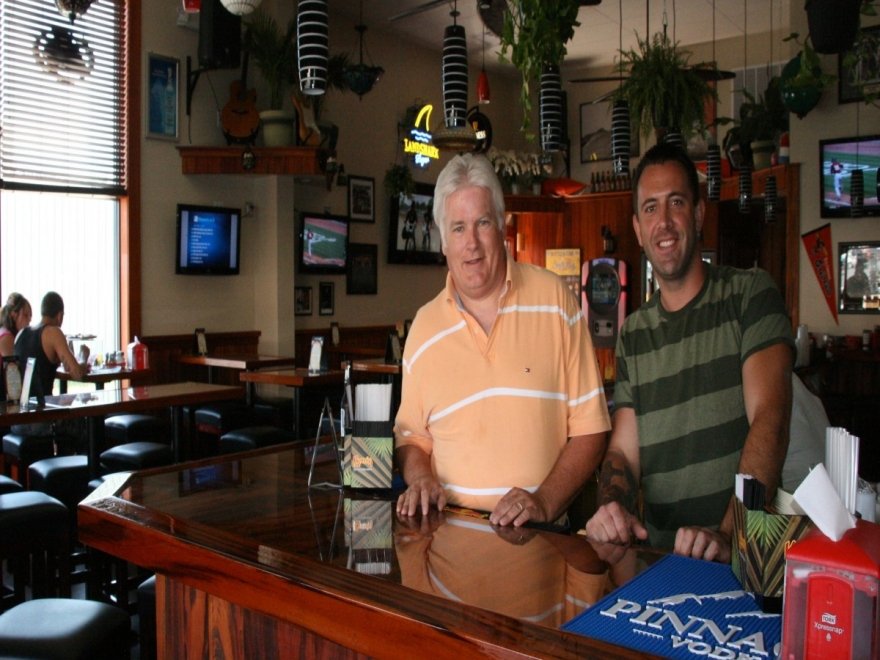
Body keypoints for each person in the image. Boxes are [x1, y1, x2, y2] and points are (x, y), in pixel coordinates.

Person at [584, 143, 794, 563]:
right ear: (638, 229)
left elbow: (771, 419)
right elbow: (623, 451)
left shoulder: (749, 294)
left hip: (746, 558)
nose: (663, 221)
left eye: (676, 202)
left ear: (698, 214)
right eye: (650, 208)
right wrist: (612, 507)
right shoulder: (634, 334)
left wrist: (727, 535)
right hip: (662, 560)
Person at [394, 153, 611, 528]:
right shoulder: (424, 330)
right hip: (450, 548)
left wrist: (543, 503)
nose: (472, 243)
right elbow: (411, 438)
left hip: (542, 542)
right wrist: (421, 478)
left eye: (482, 223)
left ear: (501, 225)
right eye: (458, 228)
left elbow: (591, 430)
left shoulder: (556, 301)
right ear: (443, 241)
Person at [14, 291, 88, 400]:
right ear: (60, 315)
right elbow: (77, 374)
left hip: (20, 406)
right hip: (43, 407)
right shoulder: (53, 333)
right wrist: (84, 357)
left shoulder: (21, 333)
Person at [0, 292, 32, 357]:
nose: (29, 320)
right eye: (25, 315)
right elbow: (12, 363)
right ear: (14, 315)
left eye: (30, 316)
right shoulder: (7, 337)